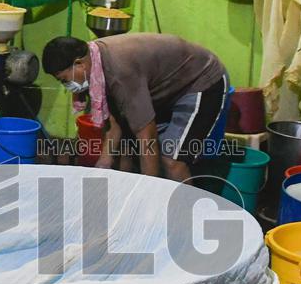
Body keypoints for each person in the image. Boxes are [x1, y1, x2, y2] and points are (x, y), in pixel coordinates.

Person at [42, 33, 229, 181]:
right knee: (126, 147)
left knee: (171, 159)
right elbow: (114, 121)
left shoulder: (120, 71)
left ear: (79, 64)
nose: (66, 87)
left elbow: (147, 135)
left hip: (200, 80)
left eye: (64, 80)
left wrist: (146, 193)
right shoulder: (96, 62)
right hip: (167, 87)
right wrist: (102, 165)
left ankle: (186, 219)